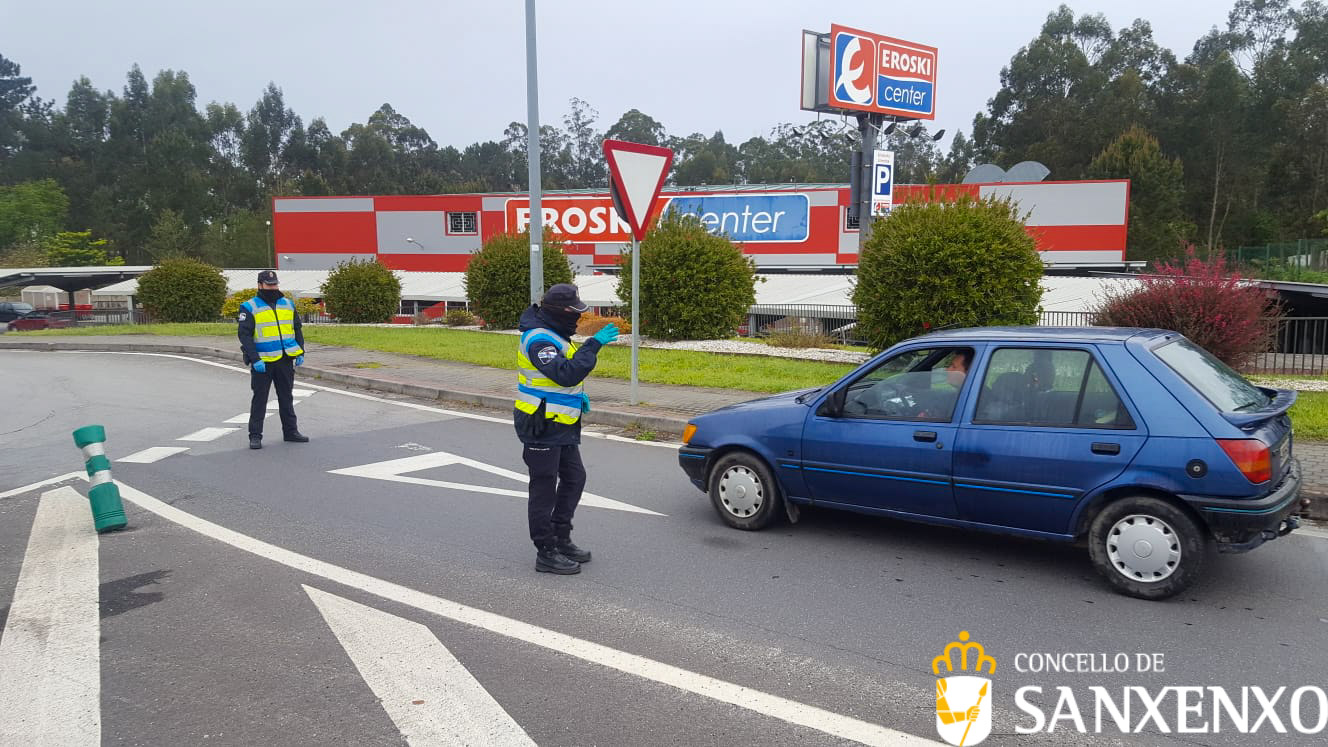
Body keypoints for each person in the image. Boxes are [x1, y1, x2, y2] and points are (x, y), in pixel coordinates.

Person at [515, 283, 619, 575]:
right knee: (544, 488)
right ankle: (545, 551)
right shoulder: (538, 339)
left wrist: (576, 396)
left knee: (575, 478)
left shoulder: (554, 333)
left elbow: (564, 376)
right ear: (560, 311)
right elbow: (565, 372)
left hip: (560, 421)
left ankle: (561, 538)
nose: (578, 318)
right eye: (575, 312)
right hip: (540, 424)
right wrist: (594, 344)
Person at [237, 270, 309, 450]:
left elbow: (297, 329)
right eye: (269, 285)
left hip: (285, 359)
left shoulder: (288, 304)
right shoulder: (249, 306)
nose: (273, 288)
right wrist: (255, 359)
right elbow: (244, 336)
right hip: (263, 362)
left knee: (286, 397)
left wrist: (300, 352)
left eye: (275, 284)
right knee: (260, 399)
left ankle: (291, 432)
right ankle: (255, 436)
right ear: (260, 285)